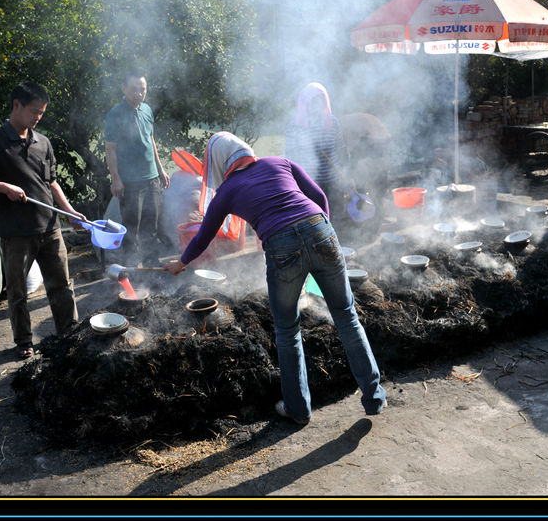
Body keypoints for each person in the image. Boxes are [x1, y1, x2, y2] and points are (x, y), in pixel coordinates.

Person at [163, 132, 386, 425]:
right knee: (346, 315)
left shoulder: (227, 191)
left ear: (217, 163)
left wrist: (181, 263)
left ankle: (298, 408)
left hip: (282, 249)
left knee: (287, 330)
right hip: (321, 230)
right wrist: (321, 231)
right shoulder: (280, 162)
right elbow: (318, 196)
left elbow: (203, 235)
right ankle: (374, 396)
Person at [0, 81, 85, 359]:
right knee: (18, 292)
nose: (38, 117)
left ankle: (69, 333)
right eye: (33, 111)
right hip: (17, 234)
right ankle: (24, 341)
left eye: (41, 112)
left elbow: (51, 183)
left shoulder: (43, 142)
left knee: (62, 285)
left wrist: (70, 211)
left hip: (50, 227)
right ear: (16, 105)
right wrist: (4, 187)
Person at [104, 70, 171, 267]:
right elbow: (110, 148)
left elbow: (151, 140)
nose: (139, 93)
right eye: (134, 89)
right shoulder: (116, 114)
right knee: (132, 227)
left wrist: (161, 169)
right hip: (131, 182)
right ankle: (132, 267)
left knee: (152, 224)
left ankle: (150, 262)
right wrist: (116, 179)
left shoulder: (147, 110)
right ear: (124, 89)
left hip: (151, 178)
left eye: (143, 89)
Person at [283, 82, 349, 222]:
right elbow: (290, 157)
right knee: (315, 222)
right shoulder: (295, 126)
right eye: (312, 101)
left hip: (333, 181)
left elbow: (341, 149)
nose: (316, 105)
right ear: (304, 103)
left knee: (335, 219)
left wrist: (348, 175)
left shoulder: (332, 122)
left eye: (320, 101)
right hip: (309, 183)